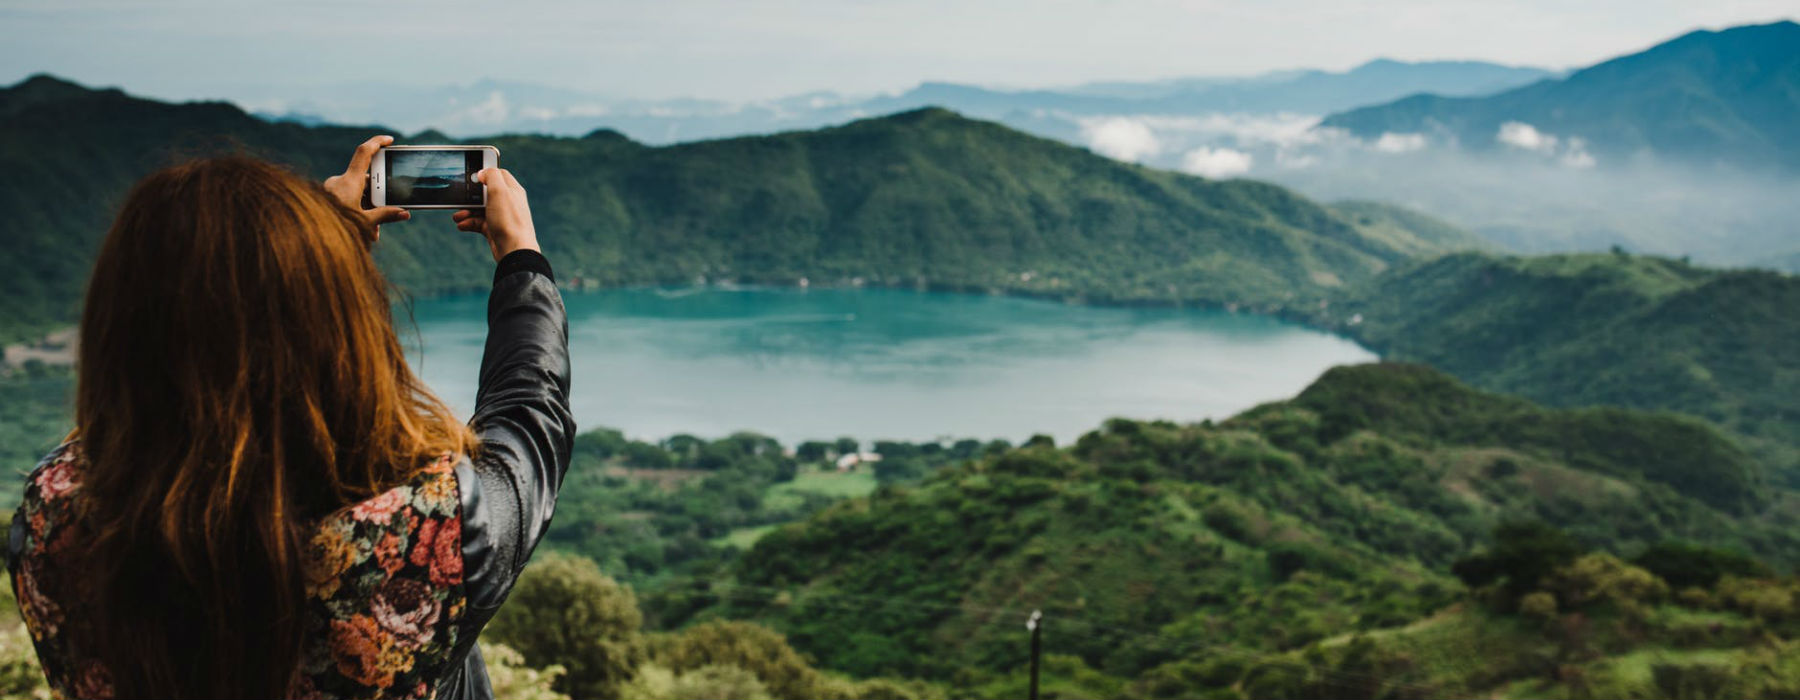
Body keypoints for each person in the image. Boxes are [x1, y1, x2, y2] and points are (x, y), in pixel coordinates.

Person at [5, 135, 573, 700]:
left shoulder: (52, 520)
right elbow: (528, 419)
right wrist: (520, 255)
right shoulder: (423, 535)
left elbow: (184, 374)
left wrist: (324, 242)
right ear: (340, 326)